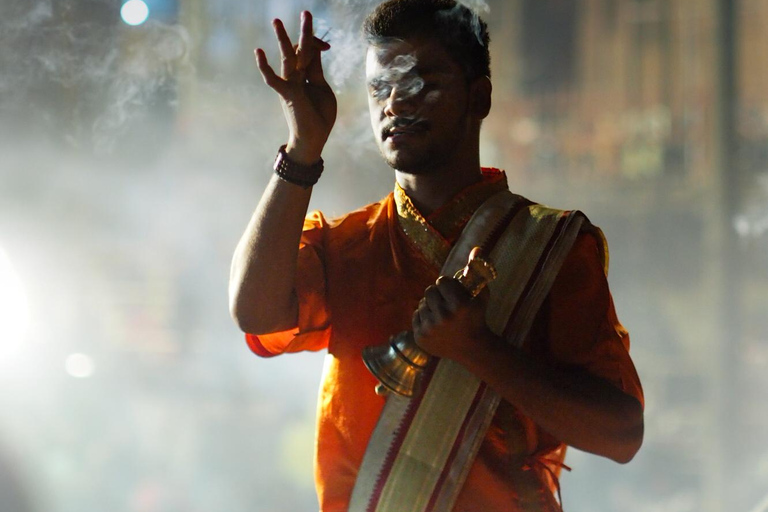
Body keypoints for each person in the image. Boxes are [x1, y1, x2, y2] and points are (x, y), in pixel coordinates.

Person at [229, 1, 644, 511]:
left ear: (480, 96)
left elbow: (621, 435)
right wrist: (302, 148)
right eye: (380, 88)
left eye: (422, 83)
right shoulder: (344, 246)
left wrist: (479, 350)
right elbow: (255, 312)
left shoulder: (552, 247)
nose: (396, 104)